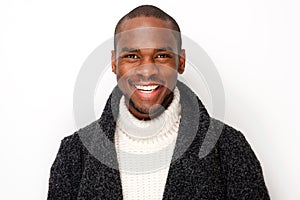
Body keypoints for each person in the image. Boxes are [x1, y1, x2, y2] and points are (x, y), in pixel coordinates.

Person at [47, 5, 270, 200]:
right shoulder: (75, 152)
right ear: (114, 63)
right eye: (132, 56)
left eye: (161, 56)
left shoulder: (229, 148)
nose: (146, 71)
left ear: (180, 62)